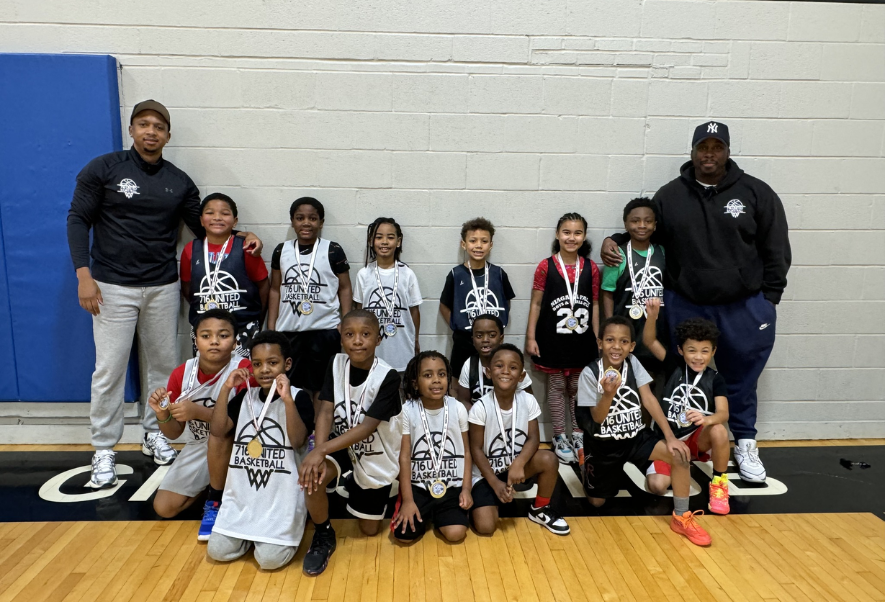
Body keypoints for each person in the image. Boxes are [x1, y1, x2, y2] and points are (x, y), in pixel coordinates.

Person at [67, 99, 262, 488]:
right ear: (132, 130)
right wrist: (83, 275)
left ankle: (155, 432)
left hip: (162, 284)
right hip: (111, 285)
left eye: (158, 126)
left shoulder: (179, 181)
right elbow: (77, 219)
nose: (151, 131)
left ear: (168, 135)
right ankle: (104, 448)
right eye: (143, 124)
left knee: (163, 365)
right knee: (109, 369)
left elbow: (206, 225)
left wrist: (243, 235)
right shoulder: (104, 169)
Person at [600, 121, 791, 483]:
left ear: (728, 151)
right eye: (703, 147)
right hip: (687, 302)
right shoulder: (670, 195)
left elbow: (776, 246)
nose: (709, 154)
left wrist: (769, 299)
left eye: (717, 147)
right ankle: (678, 443)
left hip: (744, 305)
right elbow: (644, 230)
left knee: (741, 378)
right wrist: (615, 239)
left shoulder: (756, 193)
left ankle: (744, 442)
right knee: (681, 375)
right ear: (692, 151)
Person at [576, 316, 711, 546]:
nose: (616, 346)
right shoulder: (589, 374)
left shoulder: (633, 363)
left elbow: (648, 399)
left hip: (635, 437)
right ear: (600, 343)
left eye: (623, 341)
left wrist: (670, 437)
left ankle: (681, 517)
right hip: (603, 444)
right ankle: (585, 464)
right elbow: (597, 418)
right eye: (610, 340)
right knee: (597, 502)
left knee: (680, 455)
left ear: (631, 346)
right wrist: (608, 394)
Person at [298, 310, 402, 576]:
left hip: (375, 452)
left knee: (369, 530)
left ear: (378, 339)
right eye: (349, 334)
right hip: (342, 445)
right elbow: (325, 410)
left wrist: (321, 449)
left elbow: (366, 428)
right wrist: (318, 453)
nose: (357, 340)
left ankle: (387, 488)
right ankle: (323, 533)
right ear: (341, 338)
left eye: (365, 334)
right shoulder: (336, 363)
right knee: (312, 477)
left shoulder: (389, 377)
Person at [207, 331, 314, 570]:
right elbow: (218, 430)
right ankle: (249, 534)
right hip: (245, 498)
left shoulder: (299, 397)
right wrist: (226, 388)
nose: (264, 370)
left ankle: (279, 529)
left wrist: (287, 400)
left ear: (287, 364)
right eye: (257, 364)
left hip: (281, 499)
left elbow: (297, 441)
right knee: (217, 551)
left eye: (272, 363)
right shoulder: (246, 396)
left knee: (269, 560)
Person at [146, 309, 252, 538]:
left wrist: (199, 412)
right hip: (199, 444)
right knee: (164, 507)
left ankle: (217, 499)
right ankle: (213, 489)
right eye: (206, 336)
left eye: (223, 335)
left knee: (220, 436)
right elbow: (174, 433)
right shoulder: (181, 373)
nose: (214, 341)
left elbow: (247, 423)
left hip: (239, 444)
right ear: (196, 341)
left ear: (235, 342)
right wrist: (163, 414)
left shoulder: (245, 370)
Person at [468, 344, 570, 536]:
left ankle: (539, 509)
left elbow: (534, 438)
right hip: (486, 474)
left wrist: (518, 463)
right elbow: (476, 450)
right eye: (499, 366)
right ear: (488, 372)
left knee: (548, 459)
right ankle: (492, 496)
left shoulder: (528, 400)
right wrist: (495, 483)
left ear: (522, 376)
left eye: (513, 367)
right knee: (486, 527)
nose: (506, 371)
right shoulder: (480, 408)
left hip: (514, 468)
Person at [642, 298, 731, 515]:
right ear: (681, 350)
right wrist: (652, 317)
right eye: (692, 350)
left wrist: (707, 419)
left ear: (713, 351)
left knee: (719, 430)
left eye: (704, 351)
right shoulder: (673, 365)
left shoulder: (715, 379)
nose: (698, 357)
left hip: (695, 438)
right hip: (667, 439)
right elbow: (649, 341)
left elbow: (723, 413)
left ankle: (719, 484)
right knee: (657, 486)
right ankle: (678, 464)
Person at [525, 212, 600, 464]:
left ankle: (578, 433)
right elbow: (536, 304)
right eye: (566, 232)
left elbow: (596, 305)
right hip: (552, 339)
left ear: (584, 237)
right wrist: (530, 336)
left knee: (578, 389)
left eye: (577, 233)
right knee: (557, 388)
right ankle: (559, 435)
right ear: (557, 234)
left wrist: (597, 337)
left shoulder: (591, 268)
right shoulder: (545, 266)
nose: (571, 237)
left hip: (582, 340)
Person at [268, 197, 352, 410]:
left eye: (312, 218)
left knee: (321, 388)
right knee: (289, 385)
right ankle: (296, 426)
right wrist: (271, 327)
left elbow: (344, 288)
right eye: (300, 218)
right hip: (289, 331)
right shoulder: (281, 250)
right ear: (292, 221)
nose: (306, 223)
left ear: (321, 222)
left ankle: (318, 428)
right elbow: (275, 289)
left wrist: (345, 322)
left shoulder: (332, 250)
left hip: (324, 330)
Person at [392, 351, 472, 543]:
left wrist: (466, 489)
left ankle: (439, 515)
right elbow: (404, 457)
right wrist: (408, 500)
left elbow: (467, 452)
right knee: (403, 537)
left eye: (441, 374)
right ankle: (423, 511)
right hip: (419, 488)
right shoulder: (407, 410)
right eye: (428, 375)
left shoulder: (458, 408)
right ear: (415, 383)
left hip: (451, 486)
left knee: (456, 534)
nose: (436, 380)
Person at [180, 193, 269, 356]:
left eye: (225, 213)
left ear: (235, 221)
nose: (217, 217)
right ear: (201, 220)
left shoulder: (247, 248)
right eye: (210, 212)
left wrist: (257, 319)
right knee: (207, 372)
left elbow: (263, 287)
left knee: (242, 371)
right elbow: (187, 288)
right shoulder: (190, 249)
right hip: (204, 329)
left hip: (242, 327)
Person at [439, 218, 515, 377]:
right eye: (473, 241)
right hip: (464, 340)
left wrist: (498, 324)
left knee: (493, 379)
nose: (479, 245)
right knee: (459, 381)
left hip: (492, 340)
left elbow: (506, 301)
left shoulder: (499, 274)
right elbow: (444, 305)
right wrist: (457, 324)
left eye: (484, 241)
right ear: (463, 244)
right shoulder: (455, 274)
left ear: (491, 245)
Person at [600, 198, 666, 375]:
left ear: (655, 224)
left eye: (648, 221)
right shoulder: (616, 254)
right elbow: (607, 292)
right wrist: (610, 324)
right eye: (635, 221)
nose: (642, 225)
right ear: (626, 224)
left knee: (651, 380)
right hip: (625, 328)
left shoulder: (662, 252)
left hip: (656, 330)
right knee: (622, 379)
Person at [353, 217, 423, 372]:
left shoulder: (408, 274)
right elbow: (359, 311)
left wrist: (415, 339)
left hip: (402, 348)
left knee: (401, 385)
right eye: (379, 237)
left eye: (390, 237)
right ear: (371, 241)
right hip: (372, 349)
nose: (384, 242)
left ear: (398, 242)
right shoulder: (363, 274)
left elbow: (414, 311)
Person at [453, 314, 532, 410]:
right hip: (478, 417)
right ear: (473, 340)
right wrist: (476, 416)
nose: (485, 340)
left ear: (501, 338)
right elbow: (463, 400)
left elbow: (529, 400)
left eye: (492, 335)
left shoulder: (513, 363)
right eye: (479, 336)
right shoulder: (469, 364)